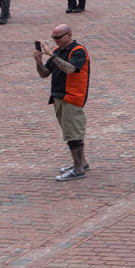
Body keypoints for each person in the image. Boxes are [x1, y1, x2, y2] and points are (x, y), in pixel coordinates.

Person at [36, 24, 92, 180]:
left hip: (72, 97)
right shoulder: (57, 51)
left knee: (73, 134)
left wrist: (51, 56)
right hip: (59, 96)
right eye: (53, 37)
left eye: (58, 37)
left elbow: (70, 69)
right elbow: (45, 74)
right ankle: (82, 163)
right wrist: (39, 61)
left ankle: (78, 169)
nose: (55, 41)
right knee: (71, 131)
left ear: (69, 35)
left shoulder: (78, 51)